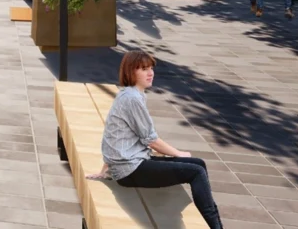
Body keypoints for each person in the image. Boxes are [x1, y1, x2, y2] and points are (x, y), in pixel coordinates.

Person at [88, 51, 224, 229]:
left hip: (131, 164)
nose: (150, 73)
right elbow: (151, 140)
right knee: (196, 172)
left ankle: (208, 219)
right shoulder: (132, 99)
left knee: (199, 163)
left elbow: (114, 134)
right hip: (131, 170)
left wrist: (106, 168)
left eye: (151, 68)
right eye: (144, 69)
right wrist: (178, 154)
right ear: (131, 71)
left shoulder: (131, 95)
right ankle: (215, 225)